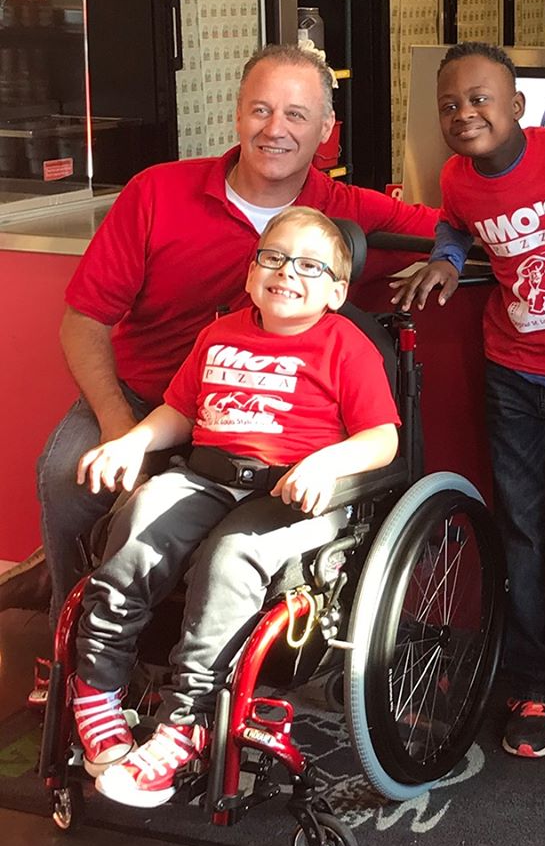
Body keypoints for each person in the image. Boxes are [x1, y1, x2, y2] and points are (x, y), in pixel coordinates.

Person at [32, 43, 437, 636]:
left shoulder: (345, 213)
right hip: (149, 398)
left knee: (229, 539)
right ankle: (71, 642)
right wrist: (123, 429)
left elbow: (455, 227)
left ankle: (198, 672)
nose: (276, 129)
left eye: (297, 115)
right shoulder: (156, 193)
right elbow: (83, 321)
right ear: (238, 114)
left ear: (326, 129)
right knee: (69, 476)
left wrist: (447, 260)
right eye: (260, 110)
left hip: (273, 420)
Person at [70, 206, 400, 807]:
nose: (286, 272)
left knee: (229, 558)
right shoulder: (218, 334)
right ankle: (96, 691)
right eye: (272, 258)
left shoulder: (346, 346)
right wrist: (133, 440)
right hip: (207, 475)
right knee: (138, 520)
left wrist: (325, 463)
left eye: (308, 265)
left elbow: (383, 439)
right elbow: (179, 412)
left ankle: (185, 721)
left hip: (289, 492)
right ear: (250, 273)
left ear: (337, 290)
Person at [391, 42, 545, 759]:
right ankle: (533, 679)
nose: (465, 114)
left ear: (518, 105)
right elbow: (456, 224)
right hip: (512, 375)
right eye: (450, 105)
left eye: (481, 99)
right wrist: (446, 261)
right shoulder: (457, 178)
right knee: (519, 527)